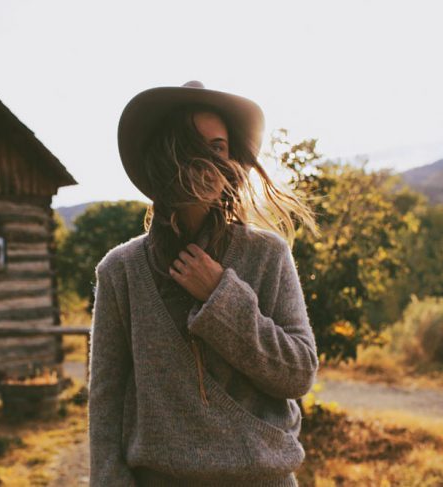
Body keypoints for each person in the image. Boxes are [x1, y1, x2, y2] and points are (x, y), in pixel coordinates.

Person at [88, 80, 320, 486]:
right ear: (165, 156)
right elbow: (105, 403)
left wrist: (221, 298)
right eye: (194, 145)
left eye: (219, 147)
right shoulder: (120, 271)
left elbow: (298, 374)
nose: (211, 161)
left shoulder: (269, 255)